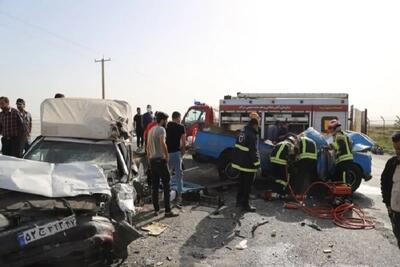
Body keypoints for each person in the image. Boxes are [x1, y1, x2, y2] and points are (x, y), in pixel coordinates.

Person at [147, 111, 179, 218]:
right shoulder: (161, 129)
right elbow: (163, 143)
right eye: (166, 120)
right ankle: (167, 211)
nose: (167, 122)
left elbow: (147, 146)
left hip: (152, 161)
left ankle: (156, 210)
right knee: (166, 185)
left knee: (155, 186)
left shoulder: (151, 130)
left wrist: (149, 159)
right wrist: (166, 156)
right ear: (162, 120)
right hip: (160, 161)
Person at [232, 118, 260, 212]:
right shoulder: (252, 135)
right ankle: (245, 205)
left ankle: (238, 202)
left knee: (241, 183)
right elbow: (253, 151)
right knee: (247, 185)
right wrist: (257, 164)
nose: (258, 128)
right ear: (254, 125)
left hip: (241, 163)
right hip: (248, 165)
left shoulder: (242, 132)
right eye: (257, 126)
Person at [381, 132, 400, 248]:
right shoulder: (391, 163)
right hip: (395, 210)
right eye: (396, 148)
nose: (397, 151)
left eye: (399, 148)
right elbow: (384, 183)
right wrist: (387, 203)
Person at [328, 119, 354, 204]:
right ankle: (340, 197)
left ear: (335, 128)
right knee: (339, 178)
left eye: (330, 128)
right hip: (344, 160)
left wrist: (330, 145)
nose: (330, 130)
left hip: (344, 160)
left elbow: (340, 146)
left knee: (345, 180)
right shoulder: (344, 135)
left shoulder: (339, 136)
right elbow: (350, 145)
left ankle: (348, 199)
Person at [166, 111, 186, 207]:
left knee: (167, 174)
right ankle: (179, 197)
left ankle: (168, 196)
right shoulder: (181, 127)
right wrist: (183, 152)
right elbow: (183, 141)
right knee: (179, 175)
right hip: (176, 153)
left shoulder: (167, 126)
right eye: (180, 118)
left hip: (167, 153)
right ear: (177, 117)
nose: (180, 119)